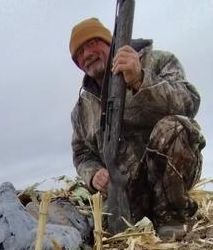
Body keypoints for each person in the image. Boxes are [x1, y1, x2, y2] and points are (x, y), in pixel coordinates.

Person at [69, 17, 206, 237]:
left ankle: (171, 219)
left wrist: (141, 80)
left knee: (173, 127)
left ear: (110, 42)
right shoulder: (81, 110)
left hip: (169, 180)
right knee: (98, 233)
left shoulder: (158, 61)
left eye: (93, 43)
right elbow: (81, 153)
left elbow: (189, 102)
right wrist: (93, 174)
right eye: (79, 53)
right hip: (124, 190)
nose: (87, 54)